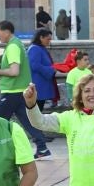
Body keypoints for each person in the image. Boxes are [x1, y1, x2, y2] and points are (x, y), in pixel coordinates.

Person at [0, 21, 44, 158]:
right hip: (21, 90)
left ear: (7, 31)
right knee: (28, 121)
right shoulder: (17, 43)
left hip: (12, 91)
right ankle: (42, 148)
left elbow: (14, 71)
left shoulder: (13, 47)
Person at [25, 29, 58, 159]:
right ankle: (39, 139)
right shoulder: (34, 49)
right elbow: (34, 65)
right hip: (38, 84)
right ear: (40, 37)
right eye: (47, 38)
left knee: (38, 111)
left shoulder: (40, 48)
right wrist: (51, 70)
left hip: (43, 84)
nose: (49, 41)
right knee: (35, 112)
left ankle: (40, 137)